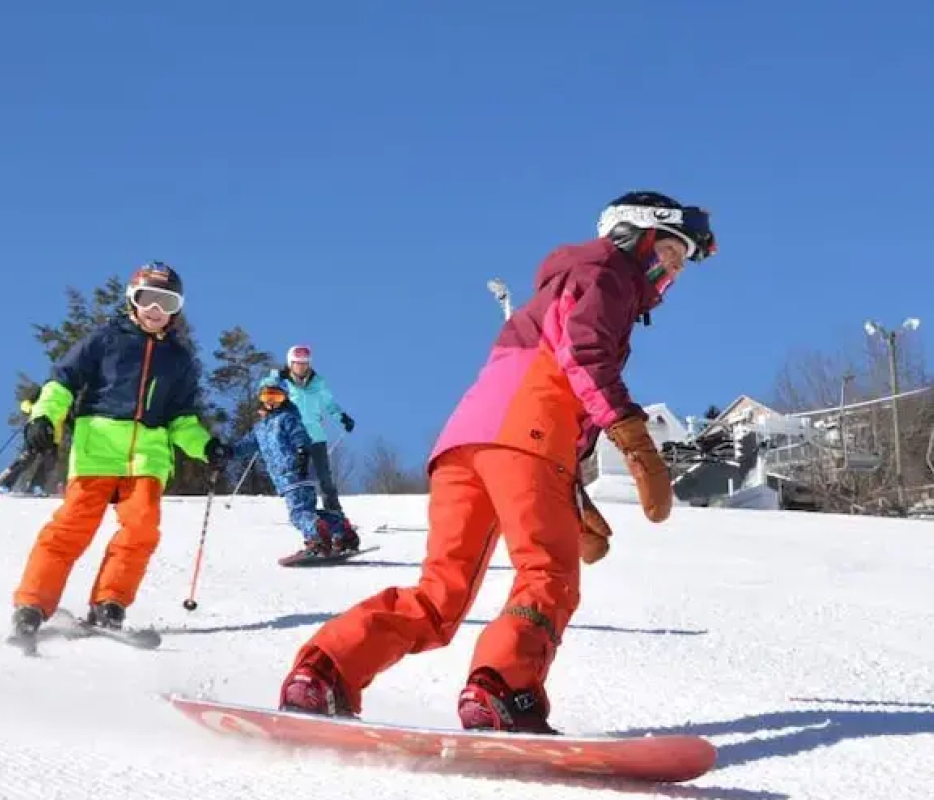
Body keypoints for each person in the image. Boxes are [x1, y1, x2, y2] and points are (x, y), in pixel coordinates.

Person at [276, 191, 716, 733]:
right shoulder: (608, 273)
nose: (672, 271)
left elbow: (545, 376)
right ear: (636, 236)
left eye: (680, 264)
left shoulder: (562, 285)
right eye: (670, 252)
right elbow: (584, 358)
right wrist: (633, 439)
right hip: (529, 439)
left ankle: (325, 671)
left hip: (463, 445)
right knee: (548, 575)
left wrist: (570, 491)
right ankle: (503, 687)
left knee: (439, 595)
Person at [10, 262, 227, 639]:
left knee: (141, 528)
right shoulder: (104, 340)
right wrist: (44, 417)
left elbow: (182, 418)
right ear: (132, 300)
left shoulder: (179, 360)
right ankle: (32, 604)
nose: (155, 309)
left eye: (166, 302)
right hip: (98, 448)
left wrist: (205, 446)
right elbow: (63, 382)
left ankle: (109, 603)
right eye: (148, 299)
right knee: (72, 527)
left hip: (148, 456)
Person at [215, 373, 360, 559]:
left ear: (285, 398)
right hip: (288, 478)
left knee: (298, 514)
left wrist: (302, 452)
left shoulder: (287, 418)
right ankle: (343, 531)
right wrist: (228, 452)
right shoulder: (260, 428)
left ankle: (317, 540)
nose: (272, 402)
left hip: (294, 471)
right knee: (308, 511)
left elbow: (301, 436)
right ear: (261, 399)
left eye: (276, 397)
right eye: (267, 397)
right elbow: (244, 447)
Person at [280, 344, 354, 515]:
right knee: (298, 476)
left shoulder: (318, 382)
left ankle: (334, 511)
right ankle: (303, 512)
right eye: (298, 363)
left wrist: (342, 417)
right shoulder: (282, 383)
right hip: (294, 437)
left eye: (305, 363)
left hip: (316, 437)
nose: (302, 367)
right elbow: (268, 391)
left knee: (324, 476)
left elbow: (330, 405)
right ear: (291, 364)